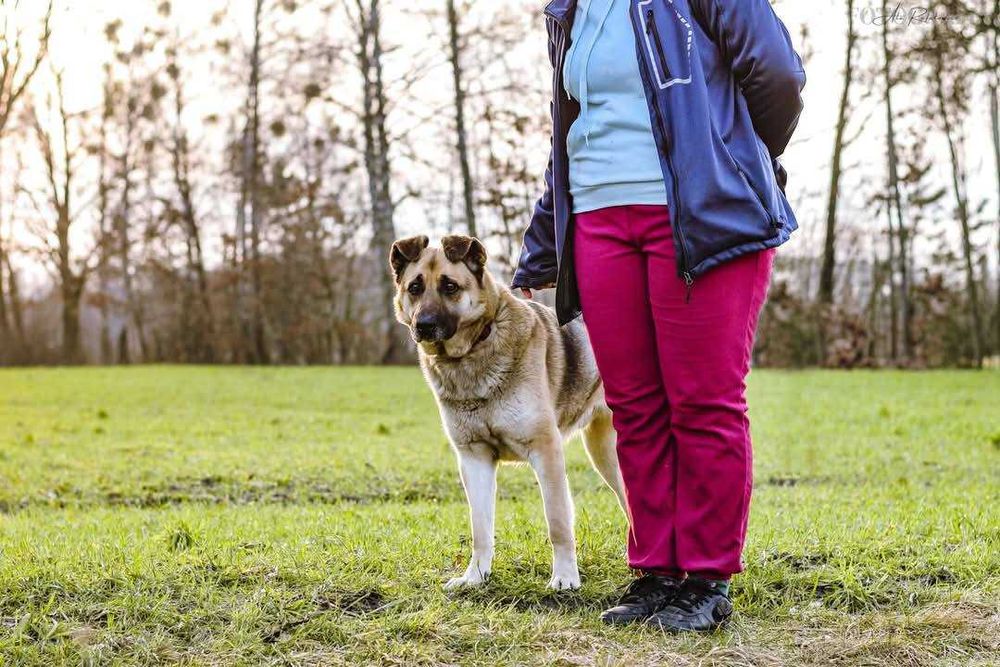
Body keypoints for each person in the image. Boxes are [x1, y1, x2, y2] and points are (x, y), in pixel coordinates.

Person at [513, 0, 805, 632]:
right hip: (597, 219)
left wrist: (734, 159)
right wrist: (542, 243)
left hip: (699, 215)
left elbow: (777, 75)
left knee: (702, 402)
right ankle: (658, 570)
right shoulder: (567, 10)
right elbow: (571, 128)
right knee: (635, 404)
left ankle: (704, 577)